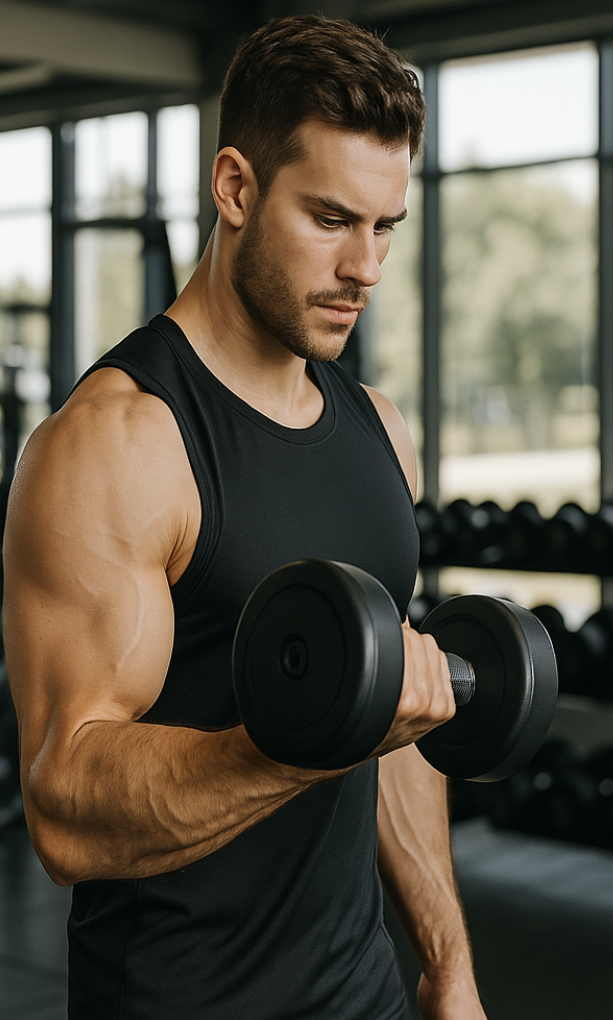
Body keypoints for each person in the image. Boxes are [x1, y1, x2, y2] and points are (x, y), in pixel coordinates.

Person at [4, 16, 485, 1019]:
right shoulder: (116, 445)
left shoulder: (378, 429)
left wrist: (445, 962)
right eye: (330, 220)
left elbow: (395, 725)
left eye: (386, 226)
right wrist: (308, 737)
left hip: (364, 995)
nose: (367, 269)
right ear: (235, 188)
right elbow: (64, 806)